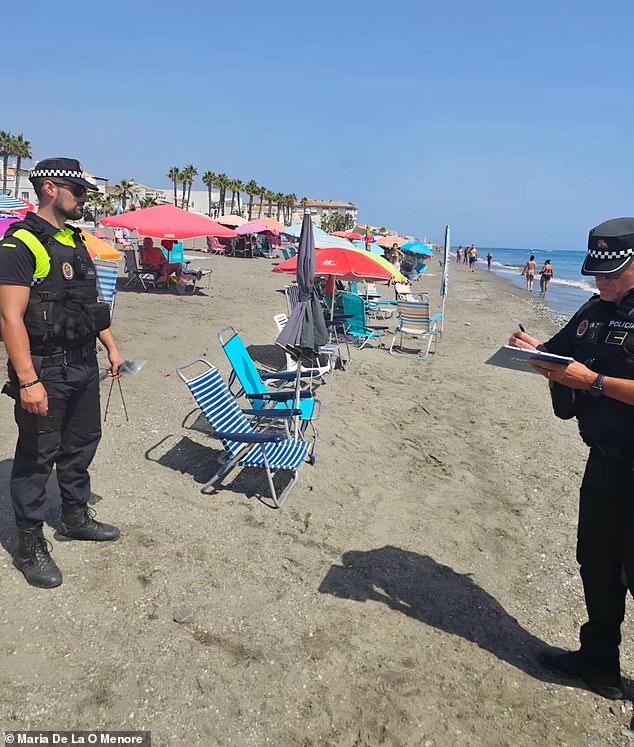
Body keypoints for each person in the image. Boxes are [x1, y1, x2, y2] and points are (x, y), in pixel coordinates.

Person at [508, 217, 634, 701]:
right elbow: (561, 357)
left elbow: (587, 377)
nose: (602, 283)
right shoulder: (592, 309)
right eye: (597, 274)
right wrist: (535, 354)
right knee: (596, 563)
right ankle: (598, 661)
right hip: (603, 463)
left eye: (614, 273)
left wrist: (595, 383)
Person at [0, 158, 122, 589]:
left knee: (82, 443)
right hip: (46, 369)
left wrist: (111, 346)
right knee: (37, 458)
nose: (85, 198)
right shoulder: (20, 244)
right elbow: (10, 318)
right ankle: (28, 543)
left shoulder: (77, 240)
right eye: (80, 190)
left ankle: (73, 517)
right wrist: (28, 380)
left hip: (83, 364)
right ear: (51, 188)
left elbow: (89, 303)